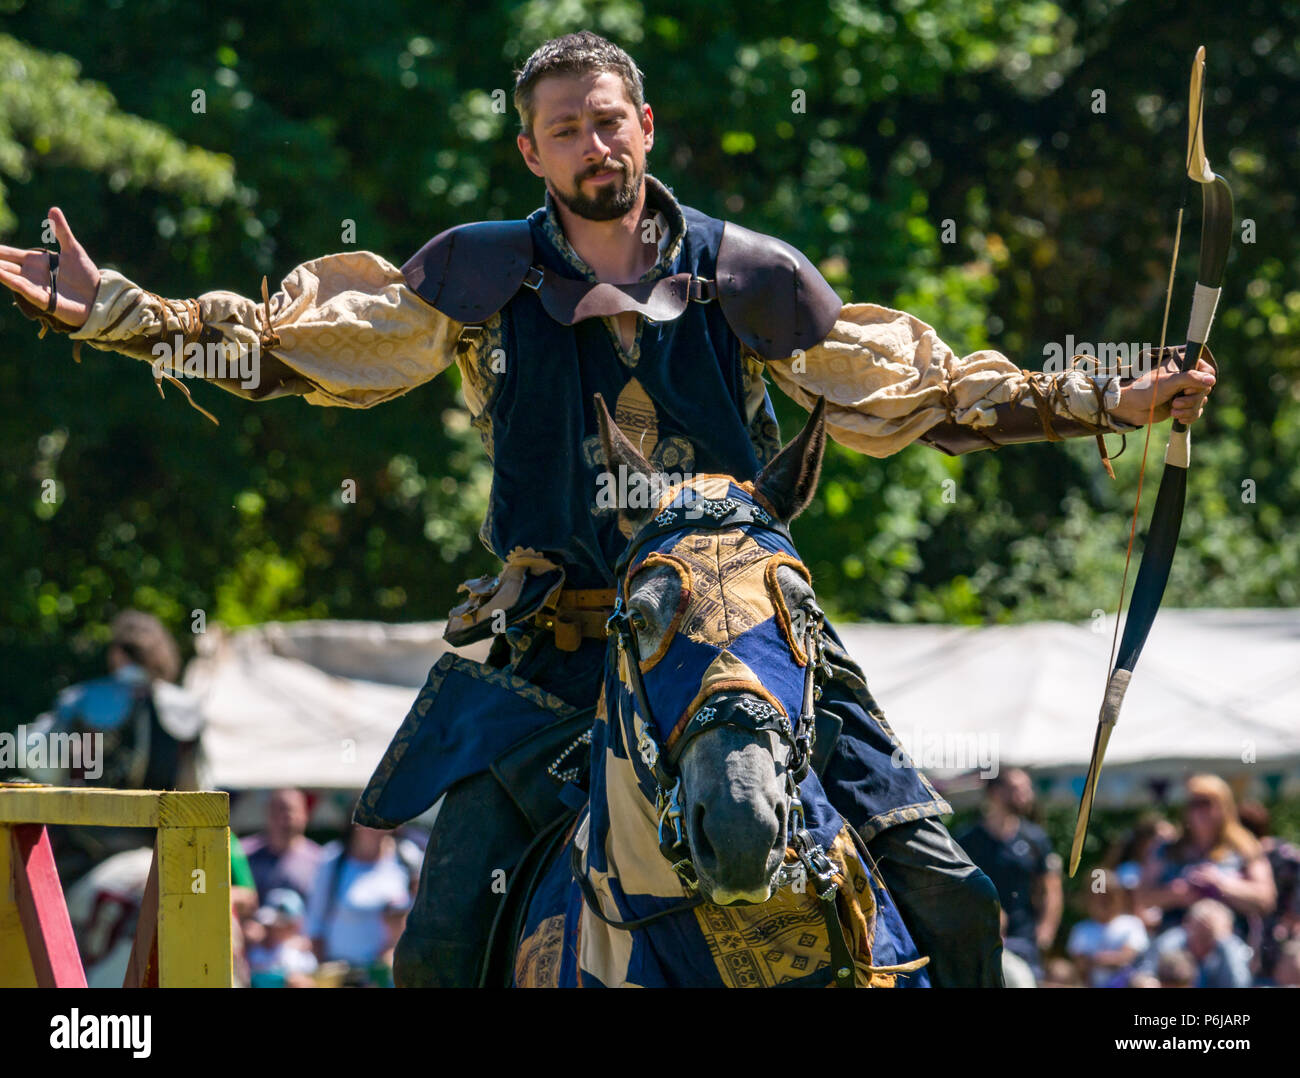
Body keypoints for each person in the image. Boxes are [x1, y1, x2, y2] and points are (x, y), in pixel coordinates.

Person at [1, 31, 1215, 987]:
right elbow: (295, 348)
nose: (593, 144)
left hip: (741, 640)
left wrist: (1114, 395)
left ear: (647, 126)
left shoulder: (752, 277)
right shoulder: (475, 279)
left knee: (957, 896)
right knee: (432, 949)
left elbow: (933, 393)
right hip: (554, 649)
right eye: (564, 128)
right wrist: (122, 312)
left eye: (608, 120)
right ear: (531, 152)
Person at [1137, 775, 1276, 937]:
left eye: (1206, 803)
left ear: (1224, 807)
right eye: (1193, 804)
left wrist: (1220, 884)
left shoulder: (1245, 847)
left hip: (1228, 940)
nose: (1199, 811)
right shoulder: (1167, 849)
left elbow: (1266, 899)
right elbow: (1142, 897)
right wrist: (1175, 894)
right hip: (1177, 942)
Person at [956, 769, 1062, 978]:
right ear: (995, 792)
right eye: (1017, 789)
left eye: (1027, 789)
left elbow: (1051, 888)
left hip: (1024, 938)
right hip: (981, 937)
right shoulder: (967, 840)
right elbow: (955, 890)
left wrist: (1046, 930)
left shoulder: (1035, 838)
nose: (1027, 795)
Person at [303, 820, 412, 976]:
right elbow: (314, 923)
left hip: (389, 974)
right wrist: (324, 973)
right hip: (341, 973)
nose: (375, 826)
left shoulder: (407, 856)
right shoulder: (333, 859)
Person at [1134, 899, 1254, 988]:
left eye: (1208, 936)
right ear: (1187, 925)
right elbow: (1145, 976)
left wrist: (1223, 942)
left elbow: (1240, 984)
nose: (1202, 942)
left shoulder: (1229, 946)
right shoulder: (1170, 942)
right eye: (1199, 933)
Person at [1066, 868, 1149, 987]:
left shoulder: (1132, 923)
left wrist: (1094, 960)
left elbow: (1127, 957)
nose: (1102, 901)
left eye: (1107, 896)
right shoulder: (1081, 929)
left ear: (1119, 897)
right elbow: (1080, 965)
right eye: (1095, 897)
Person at [240, 788, 325, 903]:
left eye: (292, 810)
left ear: (305, 815)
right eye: (279, 810)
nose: (286, 817)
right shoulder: (242, 854)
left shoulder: (321, 860)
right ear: (268, 814)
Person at [246, 888, 319, 988]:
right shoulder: (252, 949)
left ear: (295, 925)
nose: (273, 929)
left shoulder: (303, 958)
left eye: (280, 925)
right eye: (270, 924)